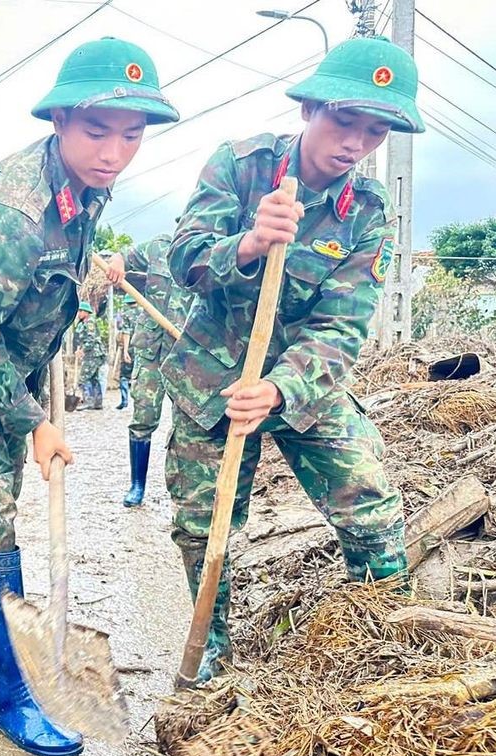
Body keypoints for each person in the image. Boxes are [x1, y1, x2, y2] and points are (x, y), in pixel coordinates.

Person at [0, 37, 177, 756]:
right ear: (59, 121)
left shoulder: (85, 189)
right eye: (97, 131)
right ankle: (7, 696)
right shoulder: (16, 210)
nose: (114, 153)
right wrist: (34, 424)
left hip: (11, 358)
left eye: (132, 135)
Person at [162, 36, 423, 683]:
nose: (355, 143)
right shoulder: (241, 166)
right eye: (344, 121)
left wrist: (280, 389)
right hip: (214, 378)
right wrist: (248, 243)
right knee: (203, 523)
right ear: (309, 109)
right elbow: (184, 259)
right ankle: (211, 647)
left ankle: (385, 638)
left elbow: (343, 325)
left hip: (304, 385)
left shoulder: (366, 213)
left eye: (375, 131)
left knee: (370, 500)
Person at [119, 233, 193, 507]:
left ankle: (184, 492)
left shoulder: (202, 251)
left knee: (187, 423)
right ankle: (137, 485)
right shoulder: (156, 247)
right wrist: (117, 262)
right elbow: (122, 257)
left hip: (185, 353)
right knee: (143, 417)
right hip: (150, 350)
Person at [74, 300, 106, 410]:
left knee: (83, 379)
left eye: (80, 311)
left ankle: (88, 401)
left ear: (86, 312)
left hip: (93, 354)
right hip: (94, 354)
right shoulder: (84, 322)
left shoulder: (89, 322)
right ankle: (97, 403)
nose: (78, 314)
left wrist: (82, 350)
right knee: (93, 378)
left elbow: (91, 339)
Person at [114, 293, 139, 410]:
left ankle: (124, 401)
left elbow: (126, 333)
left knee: (124, 376)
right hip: (142, 349)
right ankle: (139, 401)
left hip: (131, 349)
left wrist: (125, 351)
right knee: (139, 376)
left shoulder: (126, 314)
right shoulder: (143, 313)